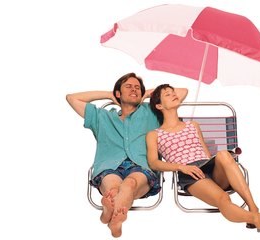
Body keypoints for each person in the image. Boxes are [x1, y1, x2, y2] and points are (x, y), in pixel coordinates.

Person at [146, 84, 260, 233]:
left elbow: (206, 154)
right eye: (167, 94)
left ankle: (253, 207)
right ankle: (256, 219)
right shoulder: (154, 134)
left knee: (223, 154)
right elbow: (154, 163)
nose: (174, 94)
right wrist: (181, 167)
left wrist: (163, 92)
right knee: (223, 199)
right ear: (159, 105)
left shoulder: (192, 125)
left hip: (209, 166)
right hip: (189, 172)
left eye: (173, 92)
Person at [66, 73, 188, 237]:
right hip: (109, 166)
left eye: (137, 87)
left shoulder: (151, 112)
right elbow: (72, 98)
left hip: (141, 167)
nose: (134, 89)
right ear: (118, 94)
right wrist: (108, 94)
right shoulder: (103, 117)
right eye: (128, 87)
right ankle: (113, 219)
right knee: (113, 190)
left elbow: (182, 92)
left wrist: (144, 95)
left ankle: (107, 216)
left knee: (129, 183)